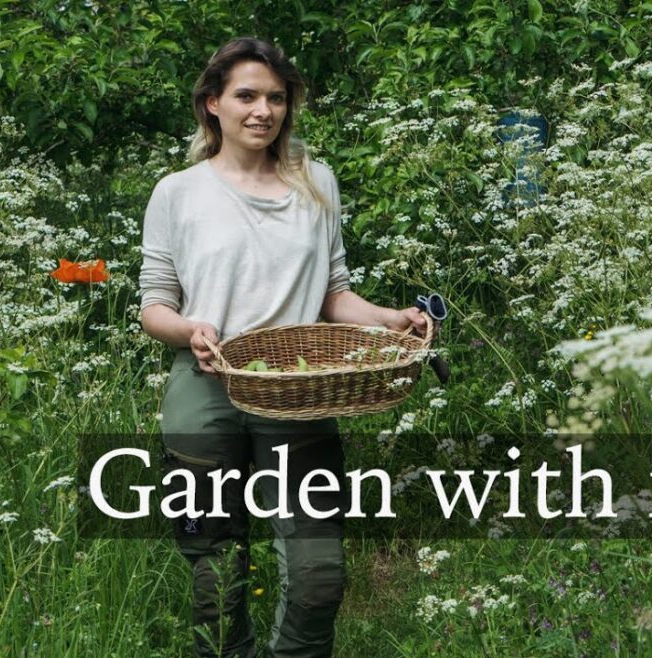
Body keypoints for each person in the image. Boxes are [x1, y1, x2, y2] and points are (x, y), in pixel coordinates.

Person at [138, 37, 425, 658]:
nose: (262, 110)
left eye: (275, 97)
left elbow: (334, 293)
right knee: (214, 565)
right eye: (246, 96)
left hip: (296, 391)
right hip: (204, 387)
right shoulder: (178, 193)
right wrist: (191, 331)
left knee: (320, 571)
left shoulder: (315, 182)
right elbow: (154, 306)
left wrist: (388, 320)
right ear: (213, 104)